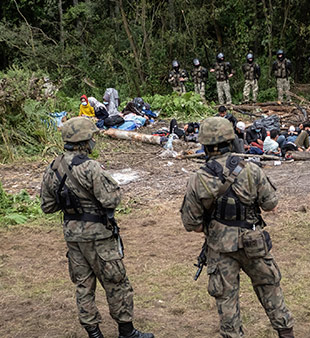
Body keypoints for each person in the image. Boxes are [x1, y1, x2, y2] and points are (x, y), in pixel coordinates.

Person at [180, 117, 294, 338]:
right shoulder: (251, 169)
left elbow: (191, 224)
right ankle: (286, 333)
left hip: (220, 247)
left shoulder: (198, 179)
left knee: (226, 299)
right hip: (254, 242)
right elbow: (271, 204)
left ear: (204, 145)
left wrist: (214, 227)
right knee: (269, 288)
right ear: (231, 141)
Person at [39, 117, 154, 338]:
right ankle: (126, 332)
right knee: (116, 282)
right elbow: (111, 200)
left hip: (73, 236)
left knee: (83, 285)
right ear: (84, 141)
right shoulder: (90, 167)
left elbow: (47, 206)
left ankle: (94, 333)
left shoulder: (53, 167)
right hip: (99, 236)